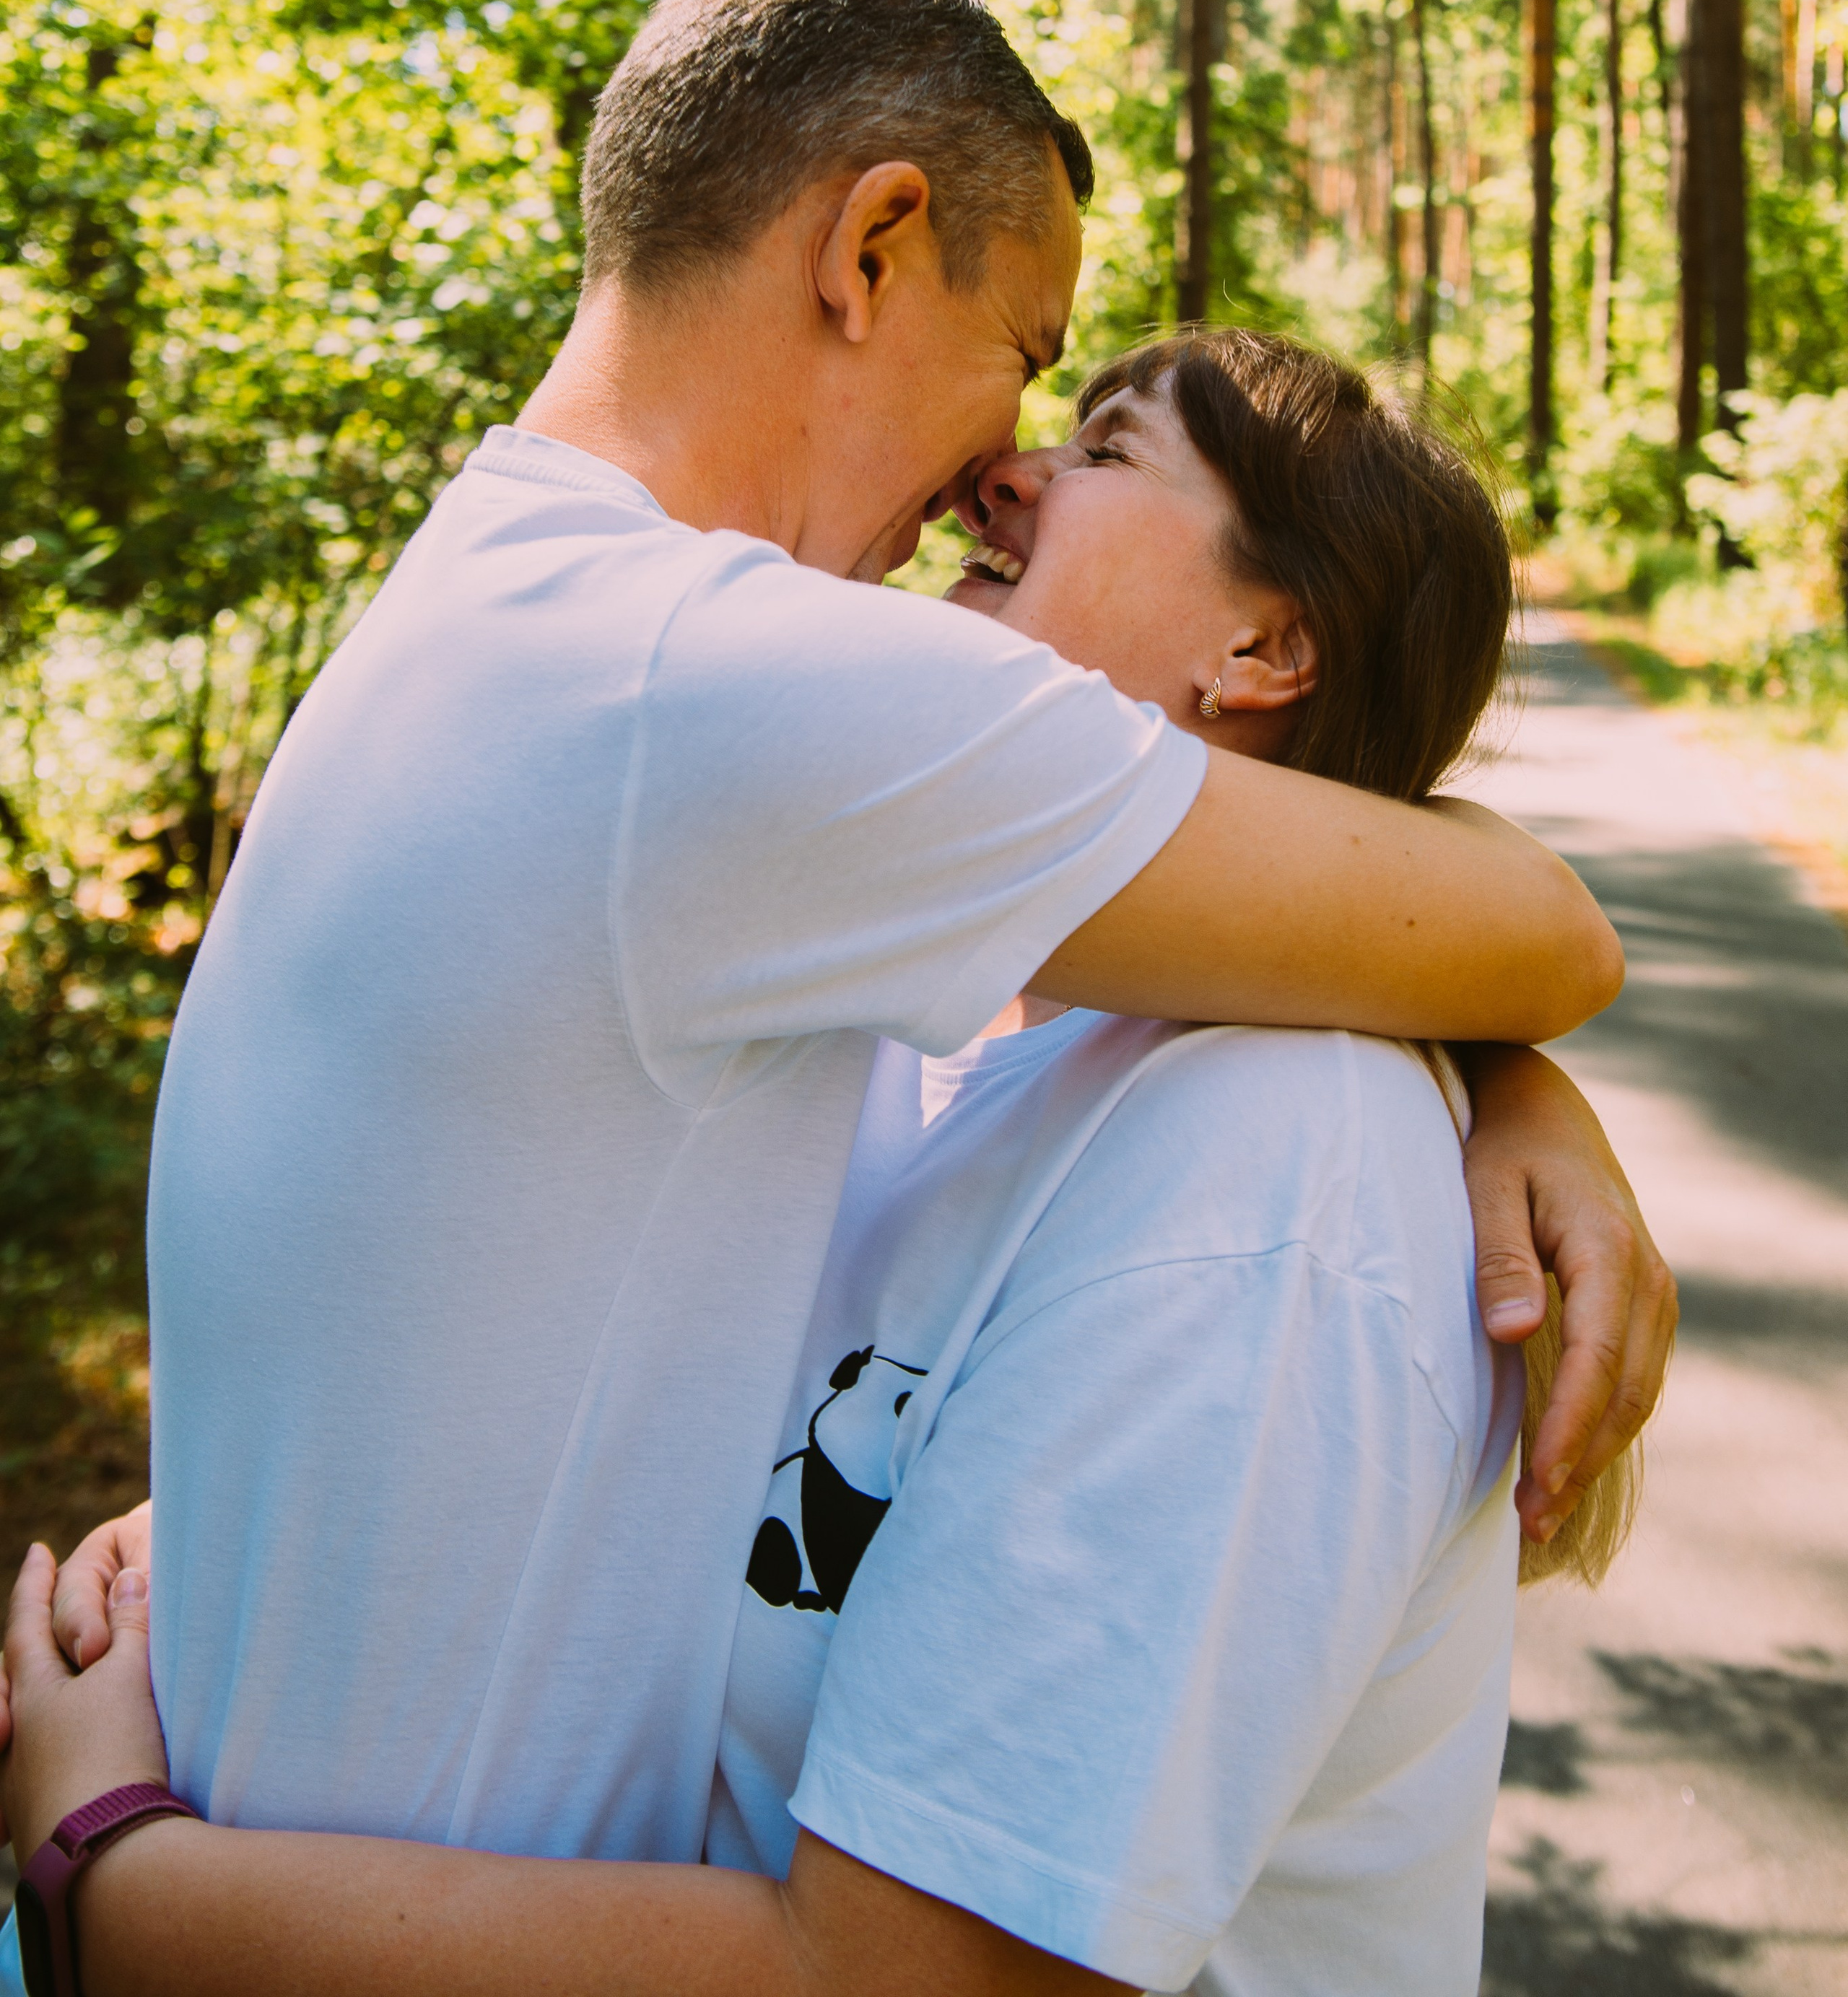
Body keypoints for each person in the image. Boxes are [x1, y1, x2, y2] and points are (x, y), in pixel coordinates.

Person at [2, 328, 1644, 1996]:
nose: (1003, 471)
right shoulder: (913, 1038)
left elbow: (910, 1981)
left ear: (1263, 643)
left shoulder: (1277, 1188)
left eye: (1107, 452)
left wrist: (116, 1881)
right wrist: (255, 1527)